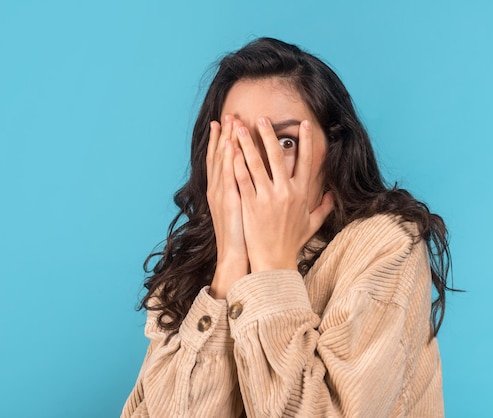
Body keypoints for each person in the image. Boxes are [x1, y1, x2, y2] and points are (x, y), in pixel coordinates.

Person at [121, 37, 452, 418]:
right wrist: (230, 265)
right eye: (238, 141)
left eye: (285, 140)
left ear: (333, 151)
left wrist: (272, 269)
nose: (259, 165)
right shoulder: (192, 273)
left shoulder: (384, 245)